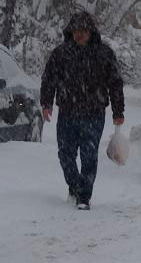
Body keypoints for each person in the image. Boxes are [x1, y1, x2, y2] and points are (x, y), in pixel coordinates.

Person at [41, 11, 125, 211]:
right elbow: (49, 79)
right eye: (76, 31)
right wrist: (46, 103)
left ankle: (84, 197)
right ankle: (75, 186)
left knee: (89, 155)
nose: (80, 35)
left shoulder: (104, 54)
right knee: (65, 154)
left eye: (84, 31)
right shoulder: (60, 54)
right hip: (67, 112)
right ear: (70, 32)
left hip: (94, 113)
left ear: (91, 32)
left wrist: (118, 111)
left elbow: (115, 84)